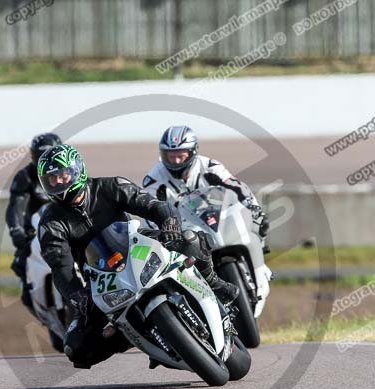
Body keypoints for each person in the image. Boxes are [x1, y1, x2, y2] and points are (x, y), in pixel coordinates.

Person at [36, 143, 238, 369]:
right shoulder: (50, 223)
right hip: (100, 275)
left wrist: (169, 224)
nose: (58, 183)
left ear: (77, 171)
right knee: (76, 348)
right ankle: (140, 337)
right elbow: (61, 268)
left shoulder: (110, 186)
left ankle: (213, 282)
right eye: (51, 179)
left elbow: (154, 206)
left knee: (191, 239)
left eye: (63, 175)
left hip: (138, 245)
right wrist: (77, 296)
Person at [142, 125, 270, 249]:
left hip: (218, 220)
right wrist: (166, 235)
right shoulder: (154, 179)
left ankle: (256, 258)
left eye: (181, 156)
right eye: (171, 156)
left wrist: (255, 210)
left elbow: (238, 188)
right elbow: (149, 215)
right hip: (182, 231)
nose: (176, 161)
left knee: (259, 223)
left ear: (192, 152)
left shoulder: (210, 167)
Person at [5, 132, 62, 309]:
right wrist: (16, 231)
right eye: (39, 156)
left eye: (49, 156)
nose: (44, 161)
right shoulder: (25, 177)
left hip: (67, 228)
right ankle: (30, 293)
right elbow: (15, 207)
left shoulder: (69, 172)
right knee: (20, 263)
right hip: (35, 232)